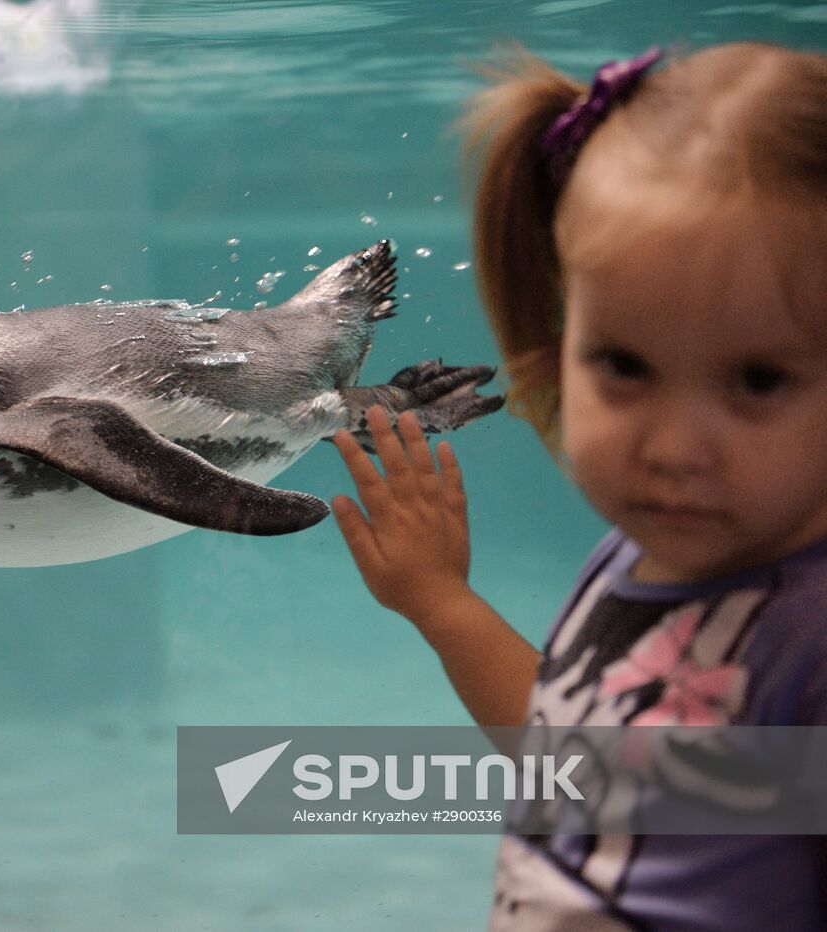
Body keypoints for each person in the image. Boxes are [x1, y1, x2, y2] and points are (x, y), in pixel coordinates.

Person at [331, 42, 827, 930]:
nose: (674, 448)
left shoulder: (809, 633)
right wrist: (444, 605)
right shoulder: (637, 558)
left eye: (757, 381)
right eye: (624, 366)